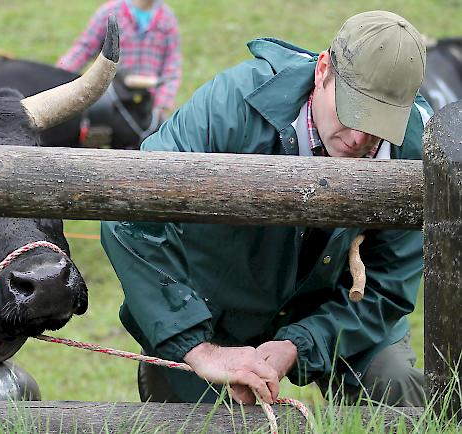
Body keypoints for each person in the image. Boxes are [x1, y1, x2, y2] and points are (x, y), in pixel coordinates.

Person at [100, 11, 432, 406]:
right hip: (216, 310)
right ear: (322, 70)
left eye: (379, 125)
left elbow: (387, 284)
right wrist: (195, 346)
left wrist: (298, 344)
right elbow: (129, 210)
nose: (361, 137)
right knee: (197, 420)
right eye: (353, 110)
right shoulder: (229, 107)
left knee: (395, 389)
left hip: (343, 310)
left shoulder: (417, 148)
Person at [57, 0, 181, 119]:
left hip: (148, 104)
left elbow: (172, 68)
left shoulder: (167, 20)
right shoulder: (110, 12)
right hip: (112, 100)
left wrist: (161, 105)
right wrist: (57, 79)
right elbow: (83, 49)